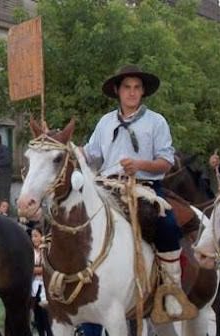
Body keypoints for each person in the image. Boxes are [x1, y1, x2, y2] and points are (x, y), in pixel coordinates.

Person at [82, 64, 187, 317]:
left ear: (143, 92)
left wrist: (139, 164)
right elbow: (90, 156)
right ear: (117, 91)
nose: (131, 92)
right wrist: (59, 144)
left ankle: (172, 290)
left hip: (144, 188)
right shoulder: (105, 122)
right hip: (106, 187)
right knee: (72, 217)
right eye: (127, 87)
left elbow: (166, 161)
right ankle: (69, 284)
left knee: (168, 225)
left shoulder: (156, 122)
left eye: (136, 88)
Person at [30, 227, 53, 336]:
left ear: (42, 237)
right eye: (32, 236)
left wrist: (37, 270)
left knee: (45, 312)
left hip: (45, 283)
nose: (34, 239)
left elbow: (47, 267)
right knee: (37, 312)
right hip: (34, 284)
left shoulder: (46, 251)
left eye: (36, 236)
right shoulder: (30, 251)